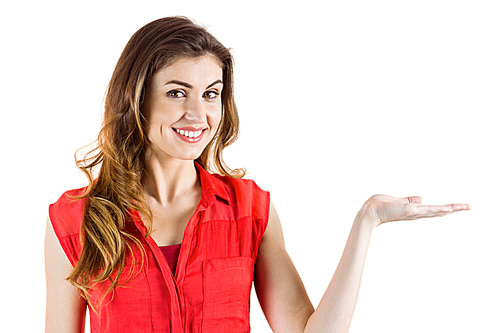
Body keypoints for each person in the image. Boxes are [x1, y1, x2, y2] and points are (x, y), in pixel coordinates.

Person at [44, 16, 470, 333]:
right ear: (137, 99)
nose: (198, 114)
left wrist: (366, 222)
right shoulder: (74, 219)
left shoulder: (250, 210)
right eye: (177, 93)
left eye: (211, 94)